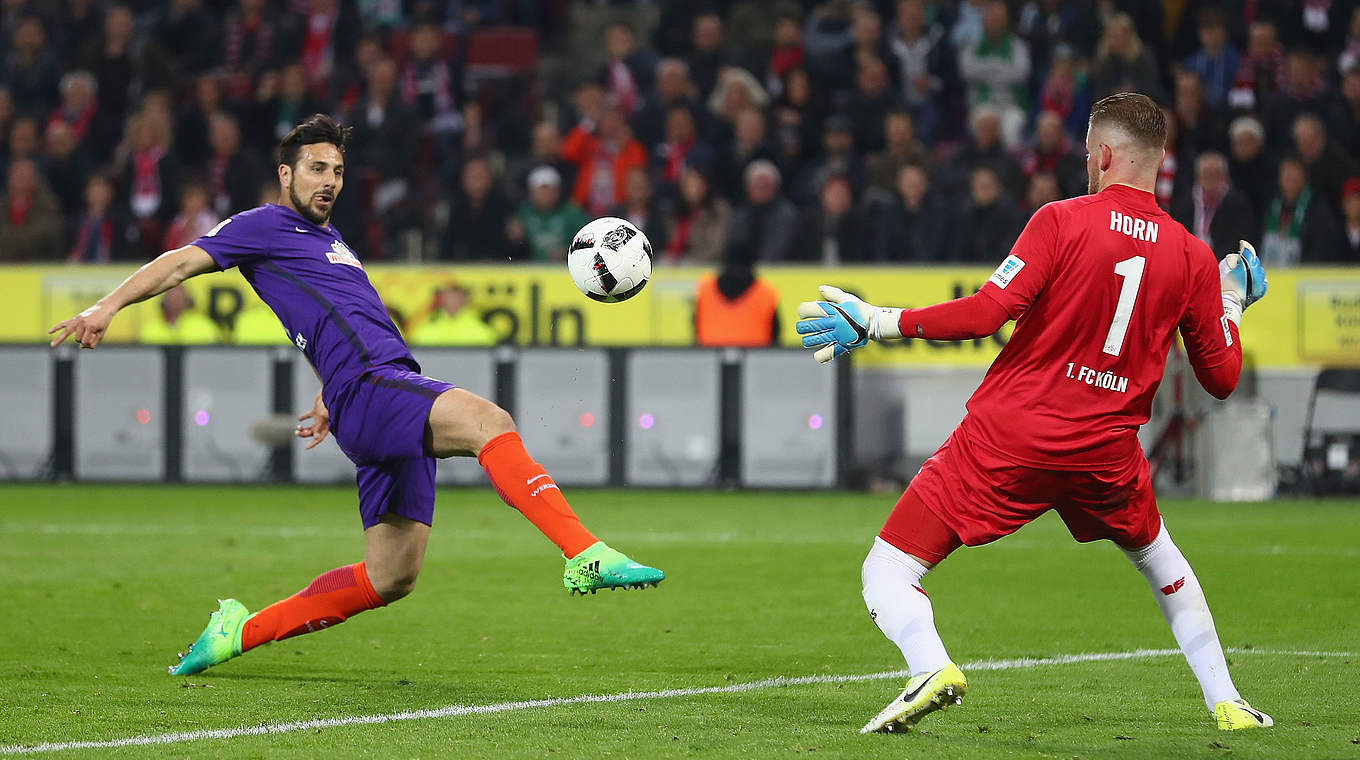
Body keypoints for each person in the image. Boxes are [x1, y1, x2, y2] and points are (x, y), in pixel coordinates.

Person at [48, 114, 664, 678]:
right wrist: (109, 305)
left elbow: (332, 321)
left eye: (338, 171)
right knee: (488, 421)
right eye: (317, 168)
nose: (330, 181)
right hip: (373, 390)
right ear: (285, 174)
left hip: (359, 396)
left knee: (390, 577)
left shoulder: (331, 240)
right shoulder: (263, 225)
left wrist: (324, 394)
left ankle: (238, 631)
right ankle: (583, 552)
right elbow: (179, 263)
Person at [796, 93, 1273, 733]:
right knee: (1161, 560)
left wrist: (879, 320)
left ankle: (930, 667)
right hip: (1106, 451)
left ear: (1102, 154)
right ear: (1159, 163)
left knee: (889, 566)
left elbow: (987, 313)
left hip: (1011, 437)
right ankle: (1227, 701)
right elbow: (1221, 379)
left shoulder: (1060, 221)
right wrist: (1231, 302)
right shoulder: (1190, 255)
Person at [408, 283, 498, 347]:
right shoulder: (424, 331)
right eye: (448, 294)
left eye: (456, 294)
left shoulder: (483, 332)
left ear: (465, 299)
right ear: (441, 298)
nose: (452, 299)